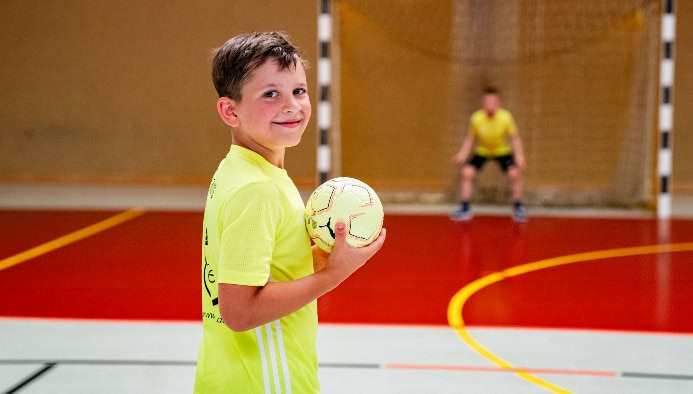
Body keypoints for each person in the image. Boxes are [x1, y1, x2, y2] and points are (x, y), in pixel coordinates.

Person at [194, 32, 386, 393]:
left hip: (229, 376)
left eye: (298, 90)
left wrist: (323, 254)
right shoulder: (258, 189)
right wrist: (333, 274)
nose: (292, 105)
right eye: (271, 94)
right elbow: (239, 312)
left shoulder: (240, 169)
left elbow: (268, 267)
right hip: (265, 381)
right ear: (230, 111)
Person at [451, 87, 528, 222]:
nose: (490, 105)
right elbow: (470, 138)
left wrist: (519, 156)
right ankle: (464, 208)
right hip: (483, 150)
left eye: (493, 102)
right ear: (483, 104)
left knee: (514, 174)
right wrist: (462, 154)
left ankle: (518, 207)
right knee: (466, 173)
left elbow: (515, 138)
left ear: (498, 103)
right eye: (487, 102)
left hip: (501, 151)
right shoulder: (476, 118)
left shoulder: (506, 117)